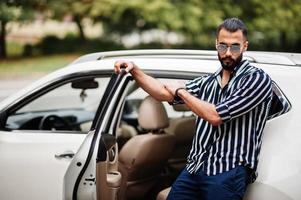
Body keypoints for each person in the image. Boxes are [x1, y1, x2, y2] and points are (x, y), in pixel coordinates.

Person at [114, 18, 273, 200]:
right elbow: (162, 93)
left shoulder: (256, 79)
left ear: (245, 46)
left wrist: (182, 92)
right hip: (195, 167)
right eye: (223, 46)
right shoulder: (208, 81)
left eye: (235, 47)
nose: (228, 53)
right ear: (216, 45)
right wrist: (135, 71)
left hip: (228, 172)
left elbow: (216, 116)